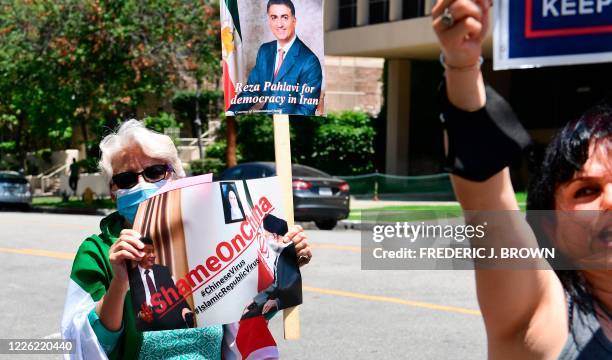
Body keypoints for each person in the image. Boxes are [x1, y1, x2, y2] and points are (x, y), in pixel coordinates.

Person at [433, 0, 612, 358]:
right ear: (551, 225)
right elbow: (485, 197)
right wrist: (463, 64)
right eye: (586, 190)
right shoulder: (542, 316)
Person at [61, 120, 312, 359]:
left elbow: (246, 316)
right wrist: (120, 282)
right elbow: (89, 345)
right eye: (126, 179)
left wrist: (284, 262)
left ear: (176, 177)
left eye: (154, 172)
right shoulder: (96, 252)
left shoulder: (213, 237)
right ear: (113, 192)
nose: (141, 184)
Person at [228, 0, 323, 116]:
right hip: (264, 124)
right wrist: (231, 112)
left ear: (294, 21)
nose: (279, 24)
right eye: (274, 17)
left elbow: (306, 110)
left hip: (288, 128)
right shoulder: (264, 51)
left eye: (284, 17)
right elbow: (251, 91)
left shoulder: (309, 61)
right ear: (269, 21)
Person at [127, 236, 195, 331]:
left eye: (153, 251)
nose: (153, 255)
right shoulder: (130, 276)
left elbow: (176, 294)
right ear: (138, 254)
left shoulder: (163, 270)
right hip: (147, 322)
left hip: (169, 315)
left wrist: (185, 308)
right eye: (148, 252)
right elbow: (128, 308)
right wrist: (139, 315)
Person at [242, 214, 302, 319]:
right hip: (274, 299)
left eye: (265, 237)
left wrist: (276, 302)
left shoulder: (286, 254)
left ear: (275, 236)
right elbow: (275, 285)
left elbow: (291, 290)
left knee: (247, 316)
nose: (264, 242)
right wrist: (255, 300)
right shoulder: (280, 254)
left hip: (282, 301)